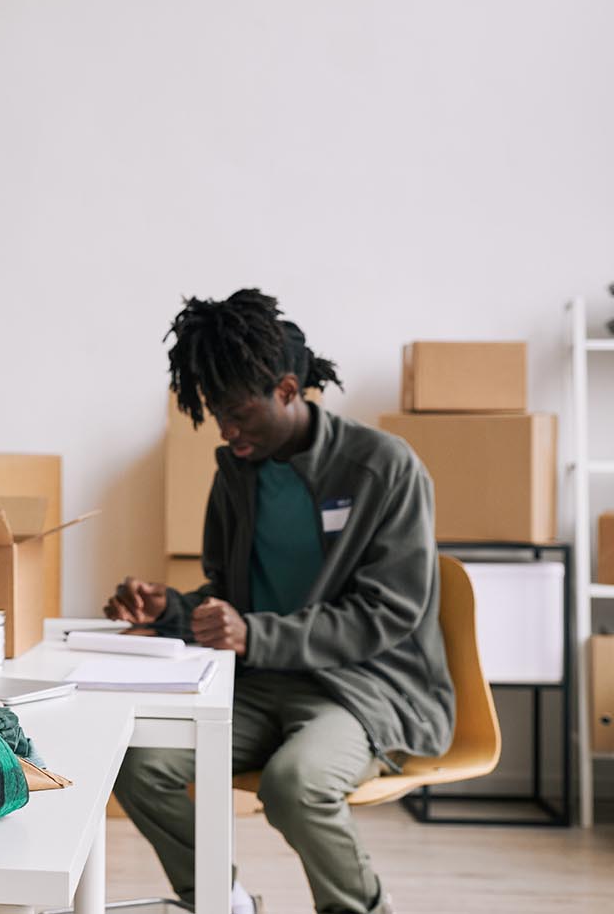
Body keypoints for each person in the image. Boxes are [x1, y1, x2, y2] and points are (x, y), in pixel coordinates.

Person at [106, 289, 454, 914]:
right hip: (257, 683)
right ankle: (221, 901)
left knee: (295, 785)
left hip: (362, 687)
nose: (226, 430)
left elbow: (389, 612)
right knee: (137, 763)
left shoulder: (383, 467)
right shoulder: (236, 475)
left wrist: (255, 635)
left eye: (239, 413)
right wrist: (170, 611)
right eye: (216, 413)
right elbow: (231, 600)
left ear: (288, 390)